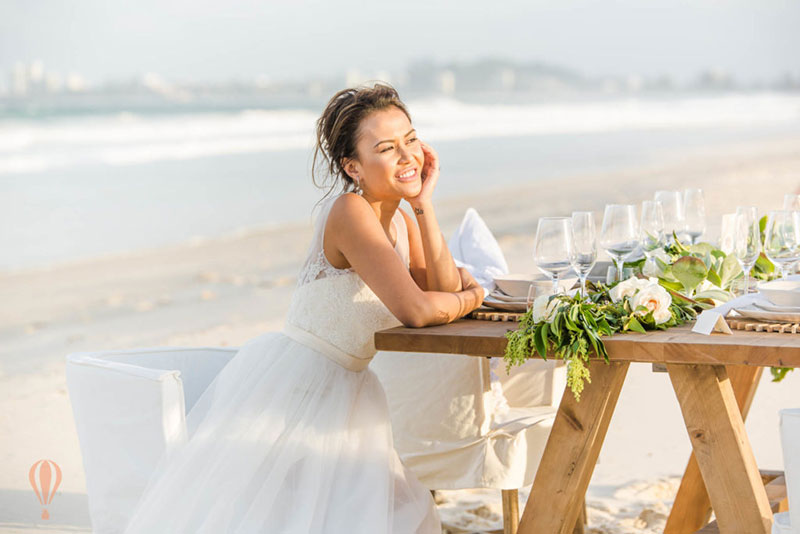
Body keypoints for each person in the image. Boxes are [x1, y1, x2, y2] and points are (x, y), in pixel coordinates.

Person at [122, 82, 485, 533]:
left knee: (383, 512)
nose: (407, 156)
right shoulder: (350, 213)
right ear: (353, 166)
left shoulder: (402, 219)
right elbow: (419, 309)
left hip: (350, 389)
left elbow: (440, 287)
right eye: (387, 148)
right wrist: (471, 298)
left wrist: (424, 205)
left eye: (411, 139)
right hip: (301, 389)